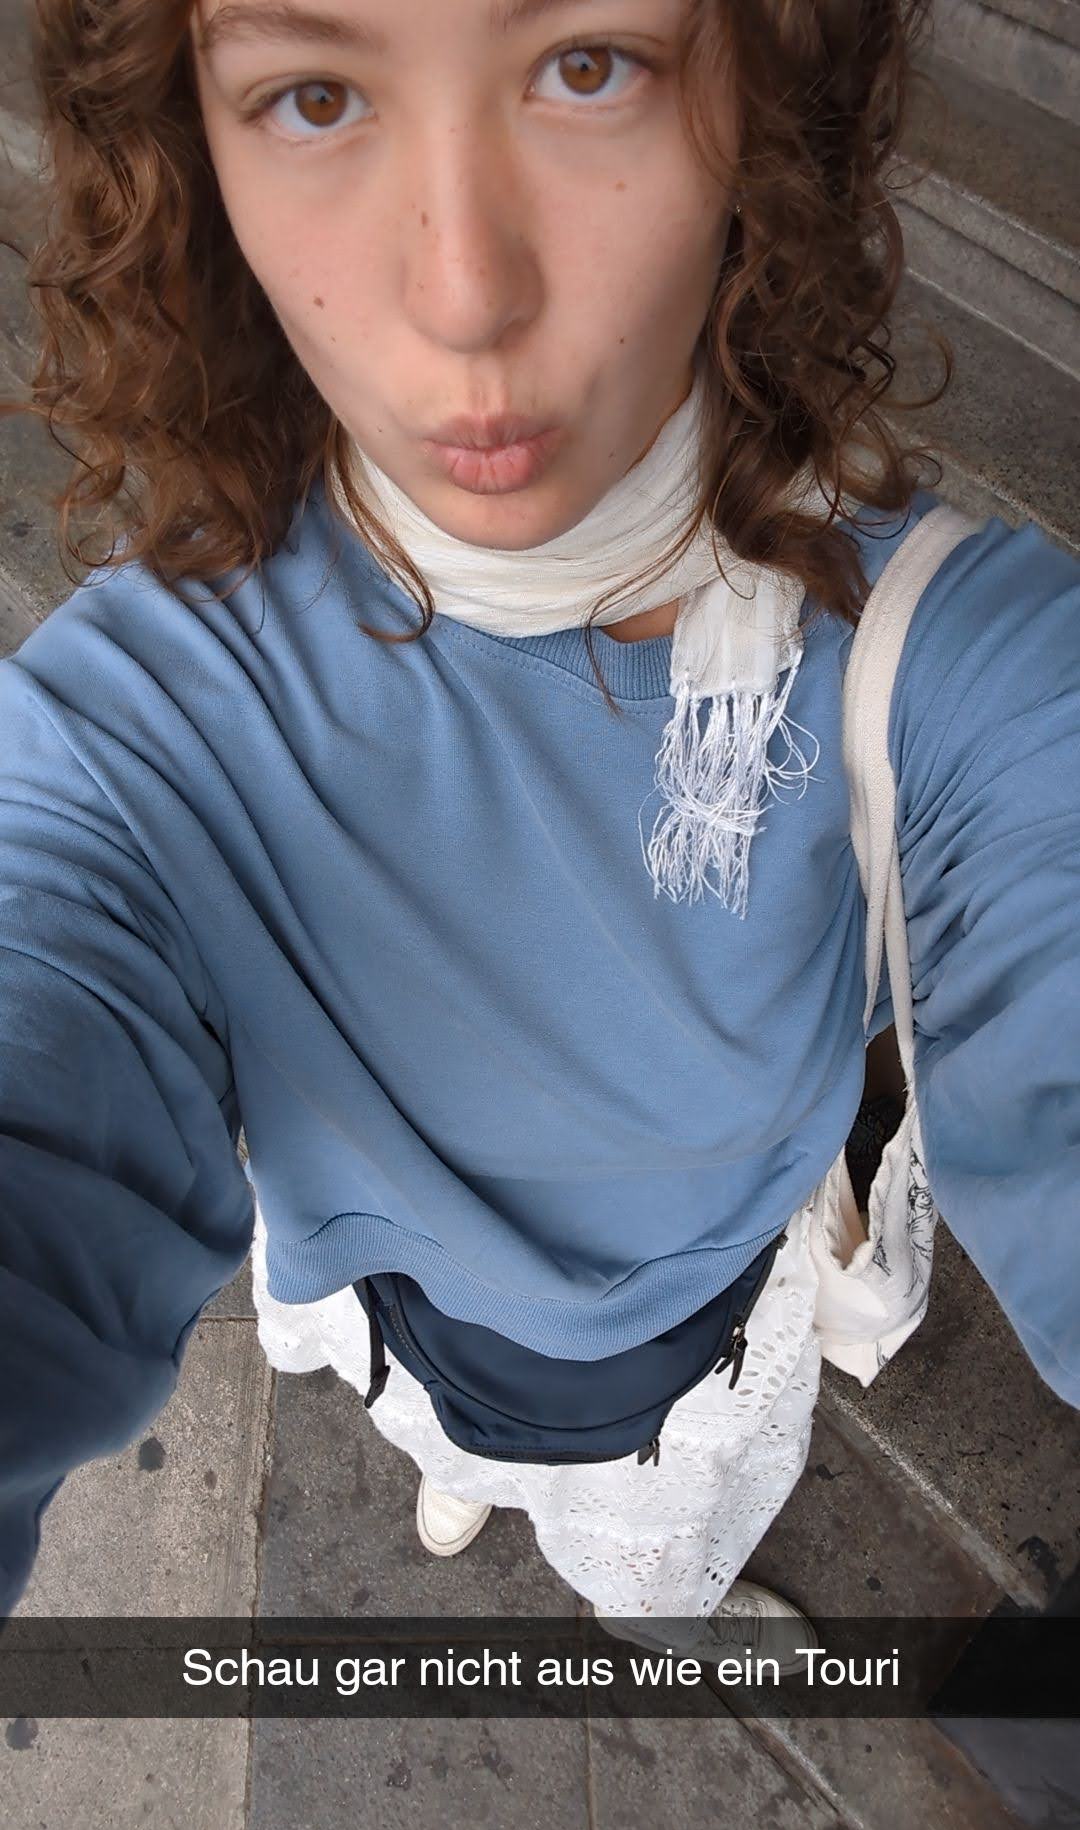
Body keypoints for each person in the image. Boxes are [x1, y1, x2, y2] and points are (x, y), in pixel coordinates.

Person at [0, 0, 1077, 1656]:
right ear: (189, 143)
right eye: (313, 94)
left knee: (635, 1534)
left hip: (689, 1342)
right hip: (410, 1327)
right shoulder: (142, 732)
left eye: (589, 65)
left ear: (767, 83)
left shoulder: (940, 667)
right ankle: (477, 1470)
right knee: (449, 1440)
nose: (464, 296)